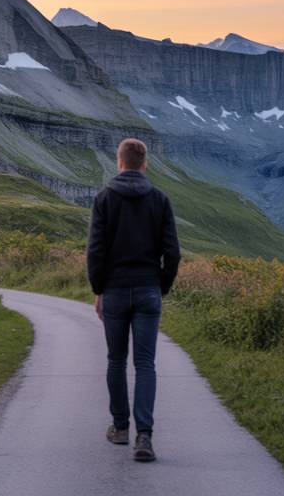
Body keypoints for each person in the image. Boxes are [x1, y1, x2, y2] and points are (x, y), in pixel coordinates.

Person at [86, 137, 180, 463]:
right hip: (147, 289)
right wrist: (160, 286)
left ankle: (120, 427)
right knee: (145, 364)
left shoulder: (104, 199)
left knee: (115, 360)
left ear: (119, 161)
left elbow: (95, 252)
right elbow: (173, 253)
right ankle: (144, 436)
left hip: (114, 289)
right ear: (144, 164)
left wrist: (99, 290)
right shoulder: (160, 200)